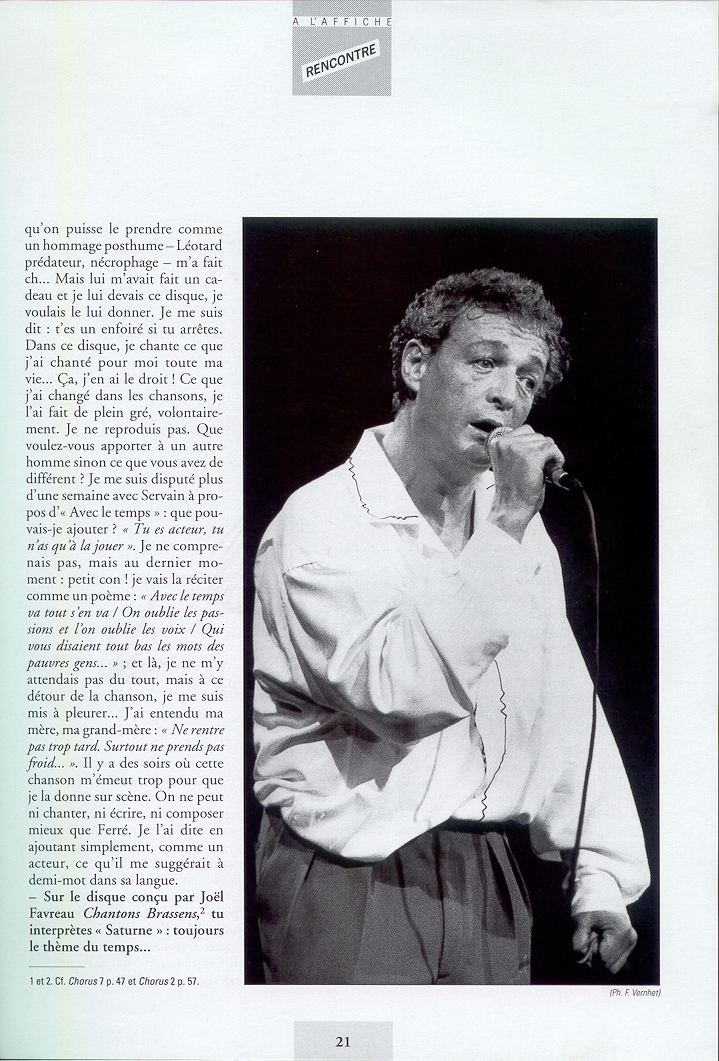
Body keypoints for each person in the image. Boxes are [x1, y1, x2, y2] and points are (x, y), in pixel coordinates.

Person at [251, 267, 649, 985]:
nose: (508, 394)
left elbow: (563, 699)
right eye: (485, 361)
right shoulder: (323, 518)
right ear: (415, 365)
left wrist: (602, 870)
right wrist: (507, 524)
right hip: (350, 867)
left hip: (486, 870)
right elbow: (396, 693)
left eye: (528, 378)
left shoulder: (513, 529)